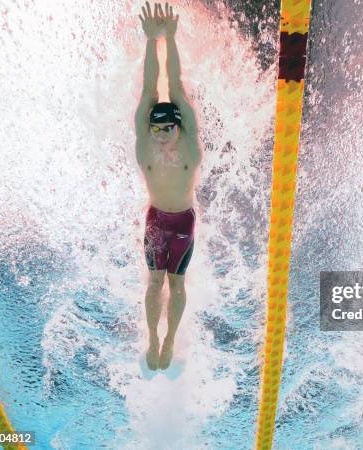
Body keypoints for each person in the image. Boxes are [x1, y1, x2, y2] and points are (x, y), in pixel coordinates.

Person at [135, 1, 202, 370]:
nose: (162, 136)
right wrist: (151, 41)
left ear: (179, 126)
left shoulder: (190, 143)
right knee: (153, 282)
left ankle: (171, 339)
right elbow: (149, 91)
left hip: (183, 224)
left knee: (176, 285)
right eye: (156, 128)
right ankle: (152, 338)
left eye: (168, 128)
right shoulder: (144, 142)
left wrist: (170, 39)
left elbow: (173, 86)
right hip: (156, 220)